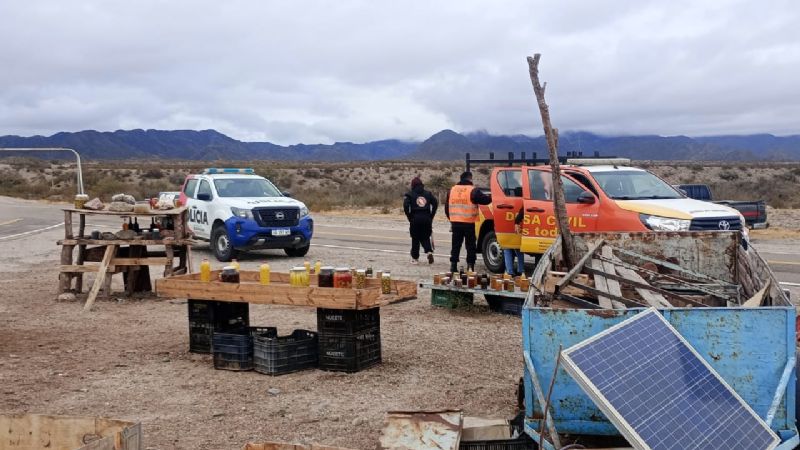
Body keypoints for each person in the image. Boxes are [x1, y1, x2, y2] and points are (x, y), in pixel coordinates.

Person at [445, 171, 492, 273]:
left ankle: (453, 266)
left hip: (456, 223)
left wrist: (452, 219)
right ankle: (470, 266)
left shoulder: (452, 190)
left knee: (456, 245)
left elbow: (446, 208)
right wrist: (493, 196)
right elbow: (486, 200)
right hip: (468, 223)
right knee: (470, 246)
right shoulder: (473, 190)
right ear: (470, 178)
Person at [403, 176, 438, 264]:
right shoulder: (428, 194)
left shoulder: (409, 194)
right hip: (426, 218)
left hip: (415, 218)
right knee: (425, 237)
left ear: (413, 185)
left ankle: (415, 258)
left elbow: (406, 205)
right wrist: (431, 216)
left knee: (415, 238)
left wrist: (409, 216)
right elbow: (435, 203)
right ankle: (429, 251)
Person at [503, 207, 525, 276]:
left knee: (507, 248)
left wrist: (516, 221)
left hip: (506, 224)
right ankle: (521, 270)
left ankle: (510, 272)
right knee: (518, 247)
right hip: (519, 228)